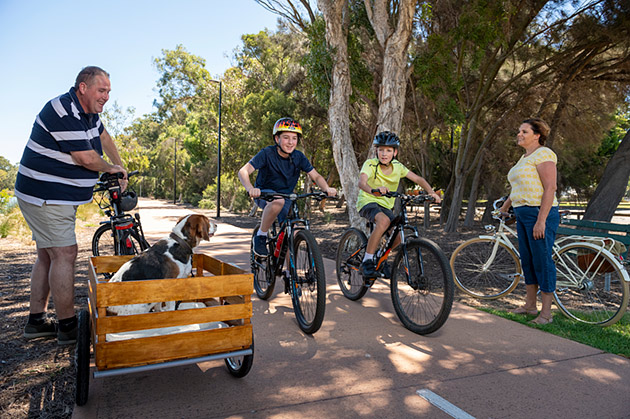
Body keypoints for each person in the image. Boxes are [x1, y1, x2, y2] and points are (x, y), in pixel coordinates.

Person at [15, 66, 127, 345]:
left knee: (47, 255)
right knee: (65, 253)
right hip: (45, 195)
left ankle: (36, 322)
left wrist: (120, 165)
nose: (106, 97)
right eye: (102, 90)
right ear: (83, 88)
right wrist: (110, 168)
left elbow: (103, 138)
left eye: (109, 91)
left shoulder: (89, 114)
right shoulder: (63, 110)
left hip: (50, 195)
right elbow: (86, 158)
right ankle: (68, 329)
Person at [238, 117, 336, 257]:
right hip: (265, 194)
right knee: (278, 201)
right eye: (286, 138)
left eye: (294, 138)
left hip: (287, 197)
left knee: (294, 233)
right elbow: (243, 171)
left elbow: (316, 176)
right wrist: (250, 188)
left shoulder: (299, 157)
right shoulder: (267, 153)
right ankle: (261, 235)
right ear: (277, 139)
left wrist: (326, 188)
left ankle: (291, 275)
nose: (290, 142)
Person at [499, 118, 559, 325]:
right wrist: (505, 207)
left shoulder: (544, 154)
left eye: (524, 131)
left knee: (542, 261)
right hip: (523, 214)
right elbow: (517, 188)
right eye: (519, 131)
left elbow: (550, 188)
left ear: (537, 135)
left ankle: (546, 314)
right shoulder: (524, 158)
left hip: (538, 212)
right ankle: (530, 305)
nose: (519, 134)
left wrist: (541, 221)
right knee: (527, 260)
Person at [357, 131, 441, 278]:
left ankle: (380, 257)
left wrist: (431, 192)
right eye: (381, 150)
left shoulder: (398, 166)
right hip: (368, 201)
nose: (384, 154)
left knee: (398, 236)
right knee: (384, 221)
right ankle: (367, 260)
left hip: (385, 205)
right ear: (376, 151)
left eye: (388, 150)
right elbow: (362, 182)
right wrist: (374, 191)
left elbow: (418, 179)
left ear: (394, 152)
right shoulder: (370, 164)